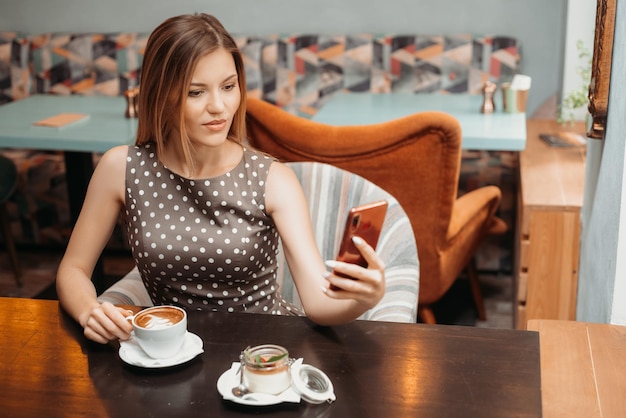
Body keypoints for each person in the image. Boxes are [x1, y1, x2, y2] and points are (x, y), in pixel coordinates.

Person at [56, 13, 386, 345]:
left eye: (228, 87)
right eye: (195, 92)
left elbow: (318, 304)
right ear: (161, 95)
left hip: (261, 354)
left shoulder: (273, 179)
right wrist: (89, 310)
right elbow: (73, 270)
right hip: (170, 355)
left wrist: (365, 297)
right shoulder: (121, 168)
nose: (219, 106)